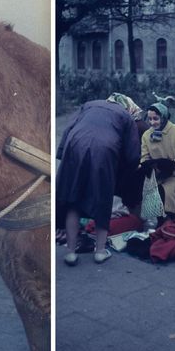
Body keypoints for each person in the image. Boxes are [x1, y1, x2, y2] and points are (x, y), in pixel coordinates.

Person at [56, 94, 142, 266]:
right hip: (104, 151)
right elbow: (133, 154)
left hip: (75, 146)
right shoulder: (127, 116)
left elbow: (67, 130)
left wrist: (62, 154)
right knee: (102, 199)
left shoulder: (89, 103)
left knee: (74, 199)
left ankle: (71, 252)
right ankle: (100, 251)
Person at [140, 102, 175, 225]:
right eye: (150, 119)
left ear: (163, 117)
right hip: (158, 176)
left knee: (164, 194)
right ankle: (163, 227)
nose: (152, 123)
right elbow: (144, 157)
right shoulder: (147, 135)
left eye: (156, 119)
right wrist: (149, 166)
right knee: (156, 198)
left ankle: (172, 226)